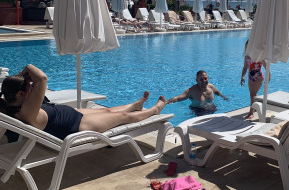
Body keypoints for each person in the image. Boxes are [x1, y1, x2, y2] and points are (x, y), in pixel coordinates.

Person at [0, 64, 167, 140]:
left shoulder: (15, 105)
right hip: (77, 127)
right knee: (124, 117)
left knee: (107, 111)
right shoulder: (26, 112)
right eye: (30, 87)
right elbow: (42, 78)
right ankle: (154, 110)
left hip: (73, 116)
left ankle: (135, 105)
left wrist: (20, 80)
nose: (33, 88)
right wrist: (26, 69)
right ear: (20, 94)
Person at [241, 40, 269, 119]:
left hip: (259, 77)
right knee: (252, 94)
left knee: (252, 94)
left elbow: (265, 65)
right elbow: (245, 68)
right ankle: (256, 106)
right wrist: (242, 77)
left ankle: (251, 113)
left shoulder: (259, 56)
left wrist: (268, 74)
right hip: (251, 77)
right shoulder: (247, 57)